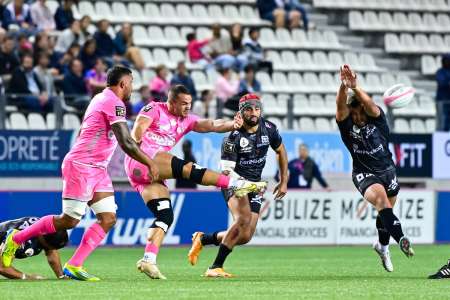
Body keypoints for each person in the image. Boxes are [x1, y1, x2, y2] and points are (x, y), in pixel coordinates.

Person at [1, 66, 159, 281]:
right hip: (82, 165)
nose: (132, 87)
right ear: (123, 83)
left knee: (108, 218)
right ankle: (15, 239)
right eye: (131, 82)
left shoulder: (103, 98)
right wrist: (149, 162)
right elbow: (126, 141)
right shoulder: (113, 102)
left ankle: (74, 265)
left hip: (98, 168)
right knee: (69, 221)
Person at [124, 85, 267, 279]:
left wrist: (232, 125)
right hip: (141, 160)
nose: (187, 107)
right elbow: (138, 129)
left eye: (190, 104)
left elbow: (212, 125)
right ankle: (234, 183)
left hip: (151, 174)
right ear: (171, 102)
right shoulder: (155, 108)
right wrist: (138, 143)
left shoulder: (187, 120)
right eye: (183, 104)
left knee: (165, 215)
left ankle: (148, 259)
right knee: (189, 168)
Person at [188, 93, 288, 277]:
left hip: (254, 185)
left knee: (245, 236)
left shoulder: (269, 129)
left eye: (257, 108)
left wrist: (284, 180)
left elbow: (281, 151)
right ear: (241, 112)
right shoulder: (232, 137)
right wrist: (246, 184)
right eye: (249, 109)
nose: (254, 112)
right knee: (242, 220)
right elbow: (226, 172)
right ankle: (215, 267)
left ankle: (203, 238)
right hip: (234, 184)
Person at [336, 64, 414, 273]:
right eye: (354, 115)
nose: (358, 118)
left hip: (387, 169)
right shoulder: (346, 126)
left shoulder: (378, 120)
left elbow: (369, 104)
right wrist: (344, 88)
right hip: (363, 172)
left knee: (386, 211)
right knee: (381, 201)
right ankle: (401, 239)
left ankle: (382, 246)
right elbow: (340, 108)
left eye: (360, 114)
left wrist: (356, 87)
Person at [0, 217, 68, 280]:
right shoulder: (18, 239)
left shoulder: (46, 228)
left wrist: (61, 276)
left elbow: (52, 252)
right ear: (42, 236)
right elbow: (2, 268)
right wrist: (26, 277)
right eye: (49, 246)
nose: (51, 249)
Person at [435, 54, 450, 131]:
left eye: (448, 60)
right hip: (442, 100)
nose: (447, 62)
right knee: (441, 120)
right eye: (445, 60)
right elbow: (441, 82)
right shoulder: (440, 72)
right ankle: (440, 135)